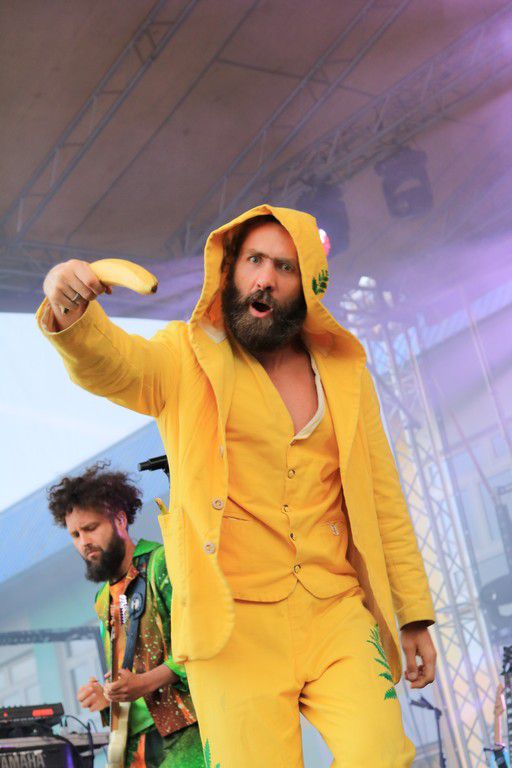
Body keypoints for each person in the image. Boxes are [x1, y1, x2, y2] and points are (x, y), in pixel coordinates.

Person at [39, 204, 437, 767]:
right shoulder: (185, 356)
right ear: (230, 271)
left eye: (284, 266)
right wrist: (68, 306)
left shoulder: (345, 371)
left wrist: (413, 612)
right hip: (231, 626)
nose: (265, 278)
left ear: (307, 284)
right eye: (254, 260)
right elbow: (114, 365)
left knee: (383, 755)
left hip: (336, 610)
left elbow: (383, 495)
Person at [47, 462, 204, 768]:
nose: (83, 542)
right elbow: (130, 672)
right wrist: (108, 697)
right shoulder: (102, 598)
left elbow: (202, 645)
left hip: (187, 733)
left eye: (90, 528)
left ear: (120, 519)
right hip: (134, 746)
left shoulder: (162, 563)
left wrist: (145, 682)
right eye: (75, 534)